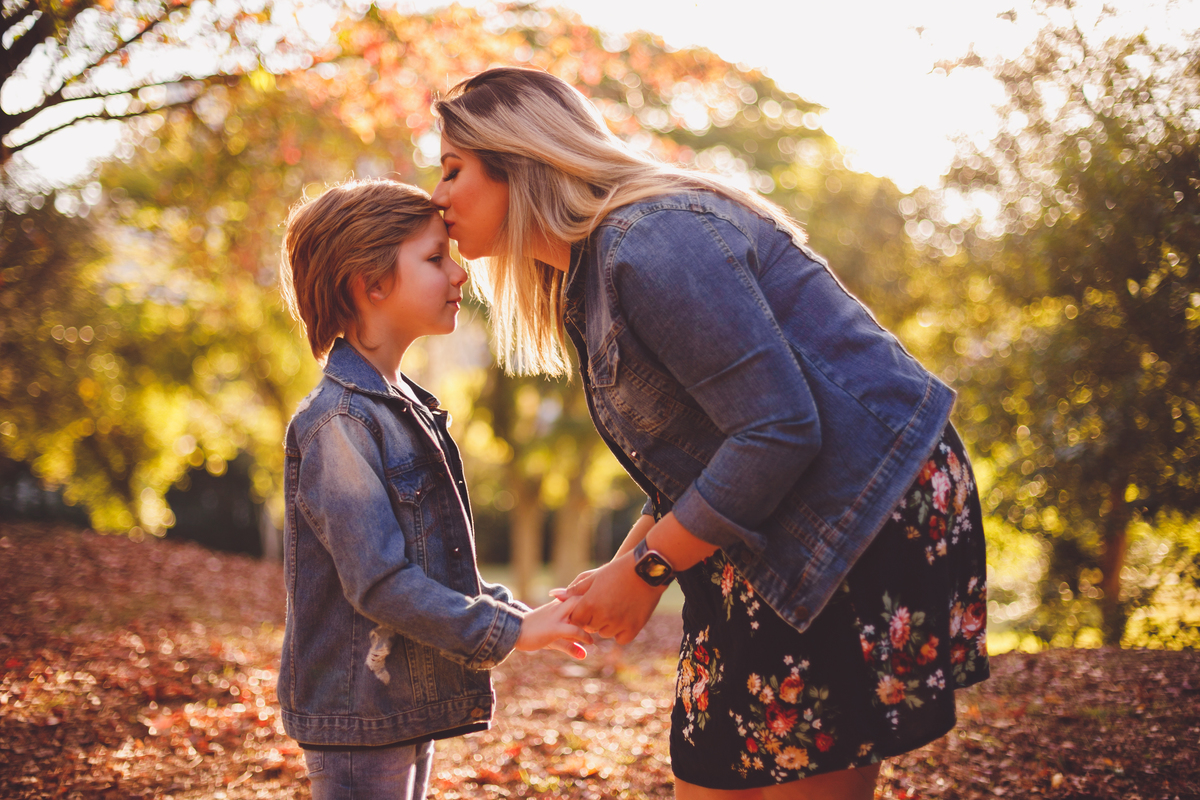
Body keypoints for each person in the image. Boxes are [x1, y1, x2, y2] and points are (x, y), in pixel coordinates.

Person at [430, 68, 990, 800]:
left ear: (520, 160)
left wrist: (650, 570)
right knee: (711, 763)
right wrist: (624, 564)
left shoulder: (651, 240)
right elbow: (699, 451)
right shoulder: (589, 277)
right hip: (764, 519)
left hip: (856, 512)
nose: (436, 197)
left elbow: (779, 429)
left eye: (451, 170)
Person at [276, 178, 590, 800]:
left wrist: (520, 615)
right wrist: (509, 633)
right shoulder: (339, 423)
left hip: (394, 701)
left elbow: (435, 568)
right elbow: (381, 581)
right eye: (434, 258)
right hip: (358, 712)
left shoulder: (407, 407)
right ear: (370, 284)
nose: (460, 274)